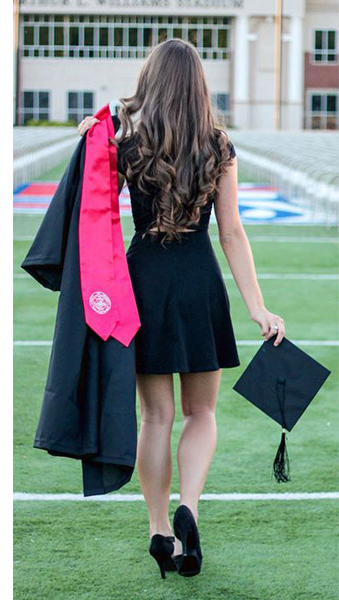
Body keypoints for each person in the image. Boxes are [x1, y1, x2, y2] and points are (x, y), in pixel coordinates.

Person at [77, 39, 285, 578]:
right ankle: (187, 507)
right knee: (202, 413)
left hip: (142, 278)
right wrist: (259, 308)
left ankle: (158, 529)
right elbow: (233, 232)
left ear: (151, 82)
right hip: (198, 280)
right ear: (198, 85)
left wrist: (90, 141)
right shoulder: (218, 144)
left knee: (156, 416)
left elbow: (94, 212)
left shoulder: (128, 144)